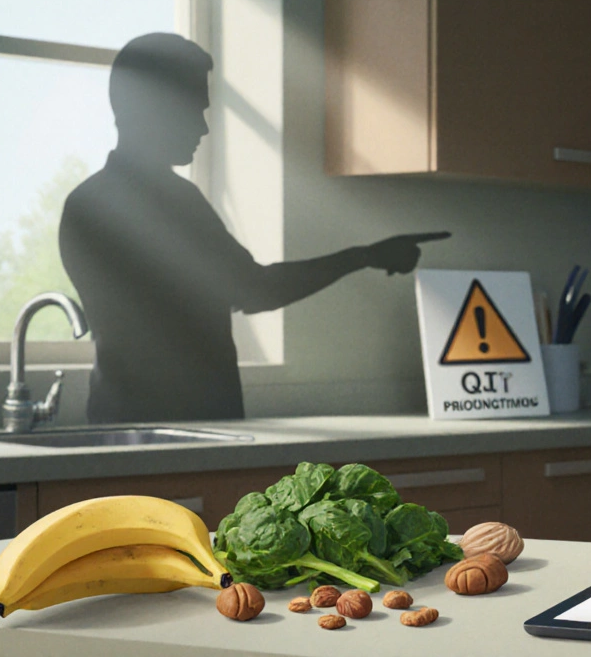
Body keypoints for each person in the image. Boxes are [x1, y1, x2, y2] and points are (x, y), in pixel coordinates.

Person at [59, 32, 448, 423]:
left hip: (140, 427)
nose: (203, 128)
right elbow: (253, 289)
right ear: (152, 107)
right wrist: (365, 256)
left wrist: (365, 256)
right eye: (194, 109)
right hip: (181, 434)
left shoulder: (88, 205)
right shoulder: (168, 204)